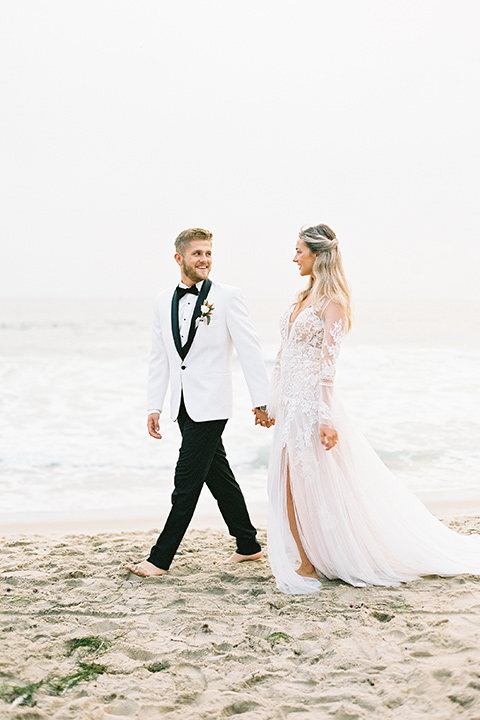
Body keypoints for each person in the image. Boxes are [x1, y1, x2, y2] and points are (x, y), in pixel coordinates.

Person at [267, 223, 480, 594]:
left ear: (317, 255)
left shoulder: (332, 303)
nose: (294, 256)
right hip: (288, 405)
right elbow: (283, 354)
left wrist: (325, 416)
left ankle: (309, 561)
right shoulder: (300, 298)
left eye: (299, 250)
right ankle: (305, 555)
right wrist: (270, 401)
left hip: (311, 408)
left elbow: (328, 367)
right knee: (286, 483)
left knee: (309, 484)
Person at [126, 227, 271, 578]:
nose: (204, 260)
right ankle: (248, 544)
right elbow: (159, 357)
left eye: (208, 253)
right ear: (179, 258)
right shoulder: (163, 300)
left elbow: (250, 351)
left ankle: (159, 559)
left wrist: (262, 401)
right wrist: (154, 406)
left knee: (186, 481)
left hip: (213, 403)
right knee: (217, 475)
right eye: (197, 254)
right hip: (181, 405)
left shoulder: (227, 296)